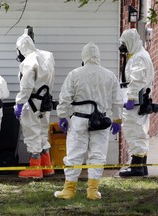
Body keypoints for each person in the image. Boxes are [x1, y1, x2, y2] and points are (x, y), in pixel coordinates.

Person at [54, 42, 123, 200]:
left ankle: (69, 190)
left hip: (79, 119)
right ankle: (93, 191)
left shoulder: (75, 74)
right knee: (98, 155)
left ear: (83, 56)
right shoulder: (109, 75)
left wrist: (62, 116)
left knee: (74, 154)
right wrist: (117, 119)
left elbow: (64, 98)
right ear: (98, 56)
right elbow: (118, 101)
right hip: (102, 121)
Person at [14, 30, 55, 179]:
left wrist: (19, 103)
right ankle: (47, 166)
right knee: (43, 132)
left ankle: (35, 167)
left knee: (32, 132)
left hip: (32, 102)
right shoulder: (46, 57)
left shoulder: (29, 61)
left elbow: (26, 85)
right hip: (45, 101)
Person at [118, 29, 154, 177]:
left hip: (135, 102)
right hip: (139, 101)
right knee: (139, 131)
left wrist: (131, 98)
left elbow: (137, 79)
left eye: (124, 44)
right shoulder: (139, 55)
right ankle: (141, 166)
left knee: (134, 131)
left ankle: (137, 167)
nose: (123, 48)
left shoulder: (138, 58)